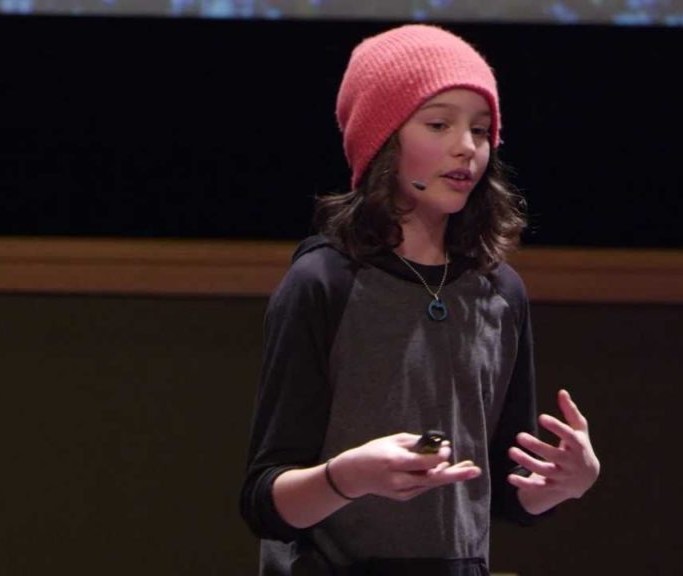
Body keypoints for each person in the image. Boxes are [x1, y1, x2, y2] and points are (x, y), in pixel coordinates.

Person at [239, 23, 600, 576]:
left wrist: (564, 484)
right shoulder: (323, 283)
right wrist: (347, 477)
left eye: (480, 131)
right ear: (383, 139)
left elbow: (504, 495)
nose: (466, 147)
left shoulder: (499, 292)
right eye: (439, 124)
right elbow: (267, 502)